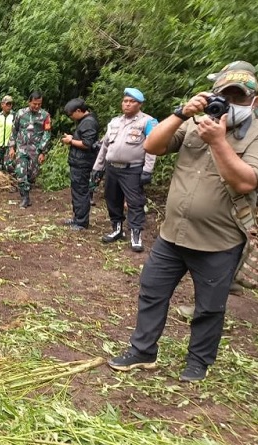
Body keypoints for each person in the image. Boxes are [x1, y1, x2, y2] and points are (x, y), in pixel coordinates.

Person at [107, 61, 258, 383]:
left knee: (209, 307)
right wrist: (181, 112)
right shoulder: (195, 123)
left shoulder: (255, 135)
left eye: (238, 97)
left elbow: (246, 182)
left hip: (218, 240)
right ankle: (143, 350)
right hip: (172, 234)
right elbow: (153, 146)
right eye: (223, 96)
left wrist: (218, 141)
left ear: (253, 101)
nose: (229, 104)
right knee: (151, 291)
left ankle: (198, 361)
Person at [91, 88, 158, 252]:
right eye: (125, 101)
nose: (127, 104)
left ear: (139, 104)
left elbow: (153, 146)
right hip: (112, 168)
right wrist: (97, 167)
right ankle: (117, 229)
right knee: (112, 199)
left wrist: (148, 170)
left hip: (133, 169)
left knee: (135, 203)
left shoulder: (148, 122)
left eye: (132, 102)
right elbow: (105, 146)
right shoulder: (115, 122)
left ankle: (136, 234)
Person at [61, 98, 100, 230]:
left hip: (83, 163)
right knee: (77, 191)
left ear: (79, 111)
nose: (71, 117)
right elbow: (83, 139)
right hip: (78, 161)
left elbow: (87, 144)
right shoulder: (85, 121)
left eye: (71, 115)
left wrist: (70, 141)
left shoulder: (88, 122)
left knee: (81, 192)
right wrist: (73, 138)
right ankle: (77, 218)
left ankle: (82, 222)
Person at [8, 92, 52, 208]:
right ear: (29, 102)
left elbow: (47, 134)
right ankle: (25, 197)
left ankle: (28, 188)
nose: (36, 106)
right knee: (20, 172)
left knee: (32, 175)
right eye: (34, 104)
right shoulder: (21, 114)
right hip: (22, 148)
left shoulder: (45, 116)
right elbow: (14, 130)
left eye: (39, 104)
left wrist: (42, 151)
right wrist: (12, 147)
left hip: (35, 150)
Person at [0, 95, 15, 172]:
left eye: (10, 104)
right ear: (2, 105)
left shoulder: (14, 116)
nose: (9, 106)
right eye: (7, 104)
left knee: (9, 167)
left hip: (9, 145)